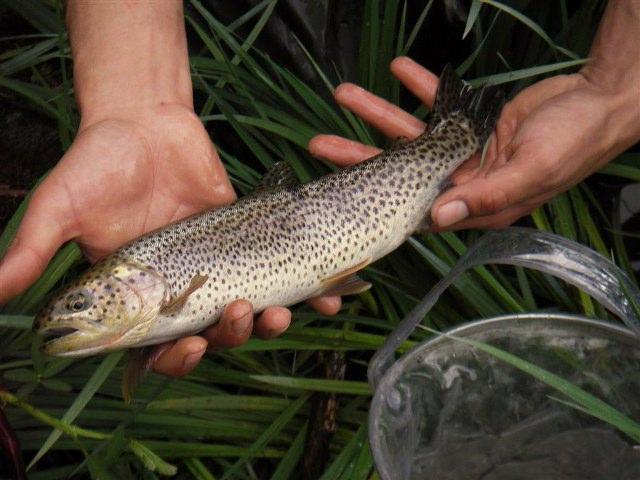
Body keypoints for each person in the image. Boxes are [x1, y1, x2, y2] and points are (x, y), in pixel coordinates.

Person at [0, 1, 638, 377]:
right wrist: (135, 102)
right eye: (81, 307)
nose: (74, 317)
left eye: (82, 303)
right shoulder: (151, 299)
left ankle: (457, 130)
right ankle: (457, 131)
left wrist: (618, 87)